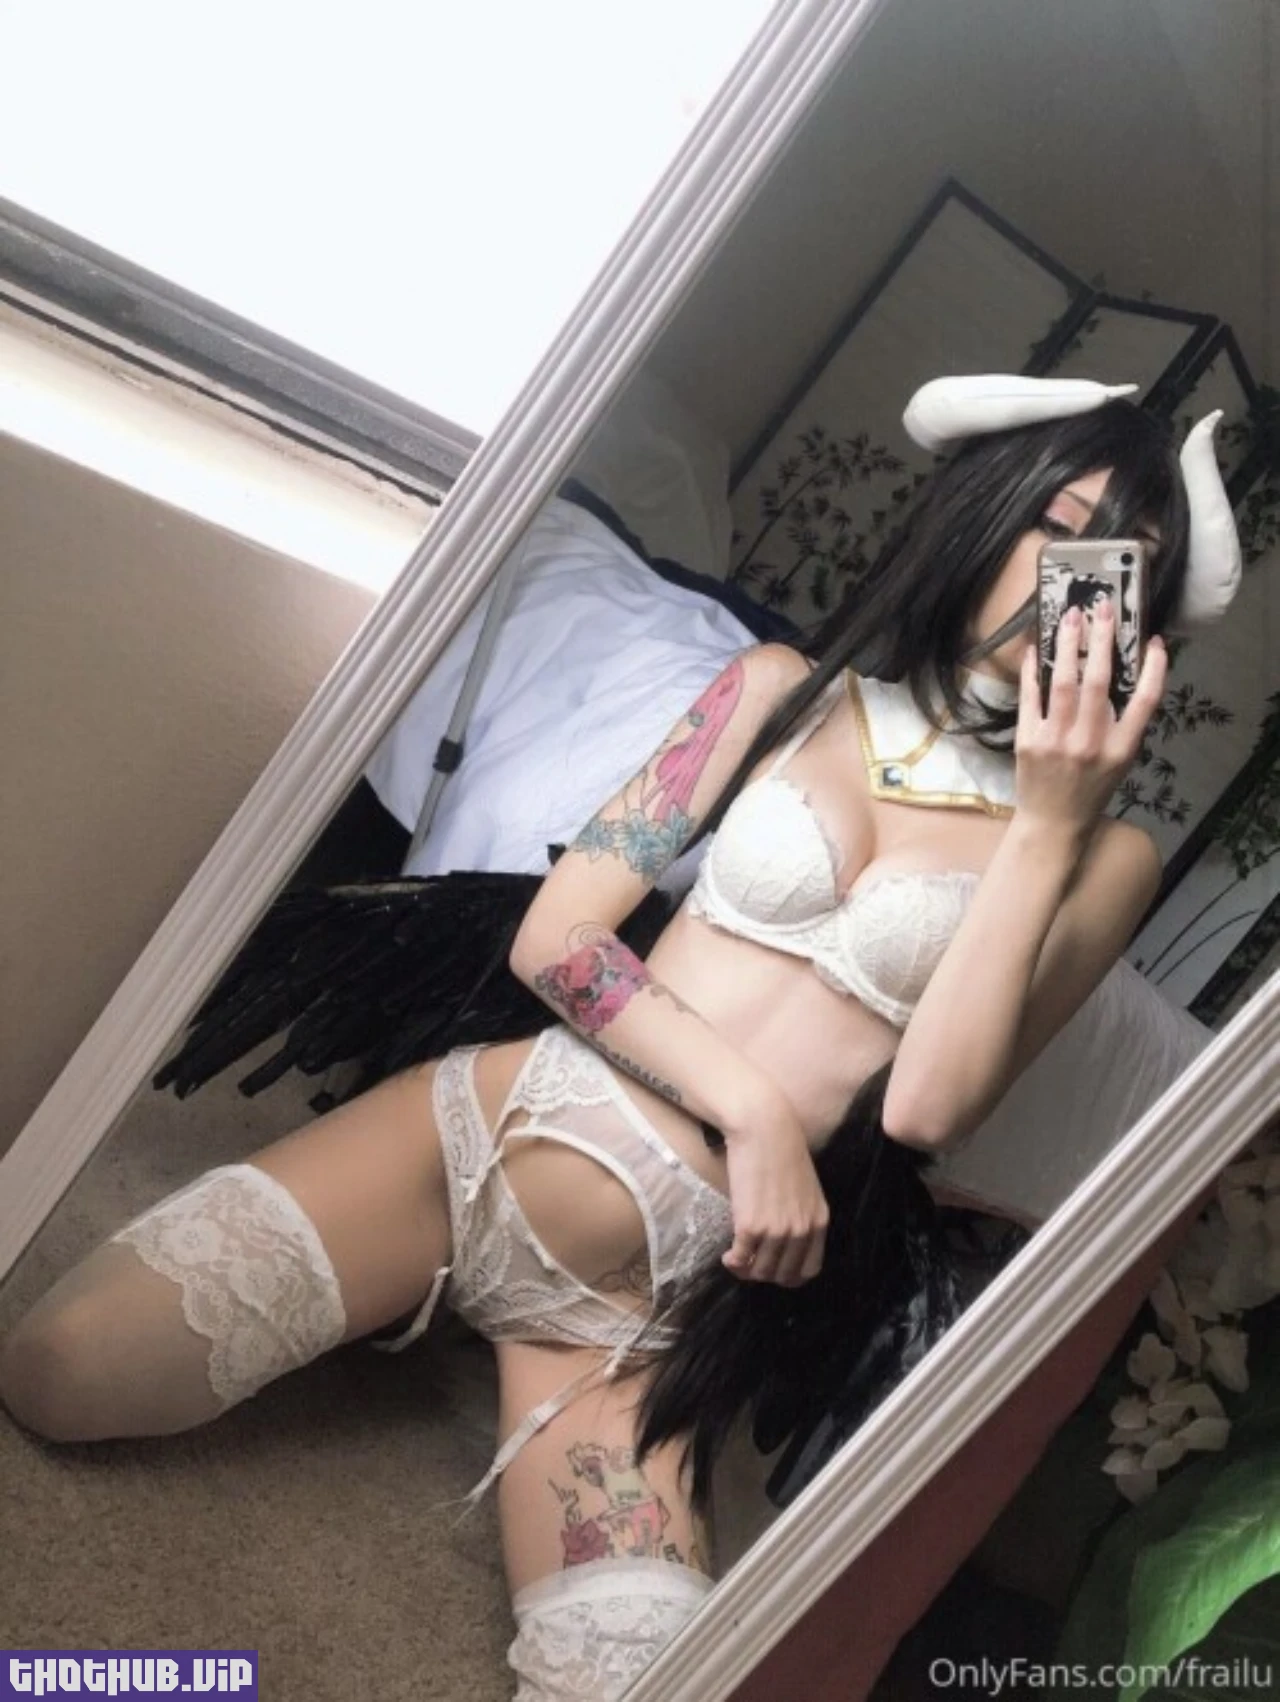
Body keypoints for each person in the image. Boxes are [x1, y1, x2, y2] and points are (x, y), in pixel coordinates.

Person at [0, 375, 1242, 1701]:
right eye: (1058, 528)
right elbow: (557, 940)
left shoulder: (1098, 858)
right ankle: (392, 1285)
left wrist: (1050, 819)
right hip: (475, 1142)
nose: (1075, 591)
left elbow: (928, 1108)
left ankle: (430, 1325)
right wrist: (754, 1115)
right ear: (984, 512)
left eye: (1123, 574)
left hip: (633, 1321)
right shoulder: (781, 692)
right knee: (58, 1373)